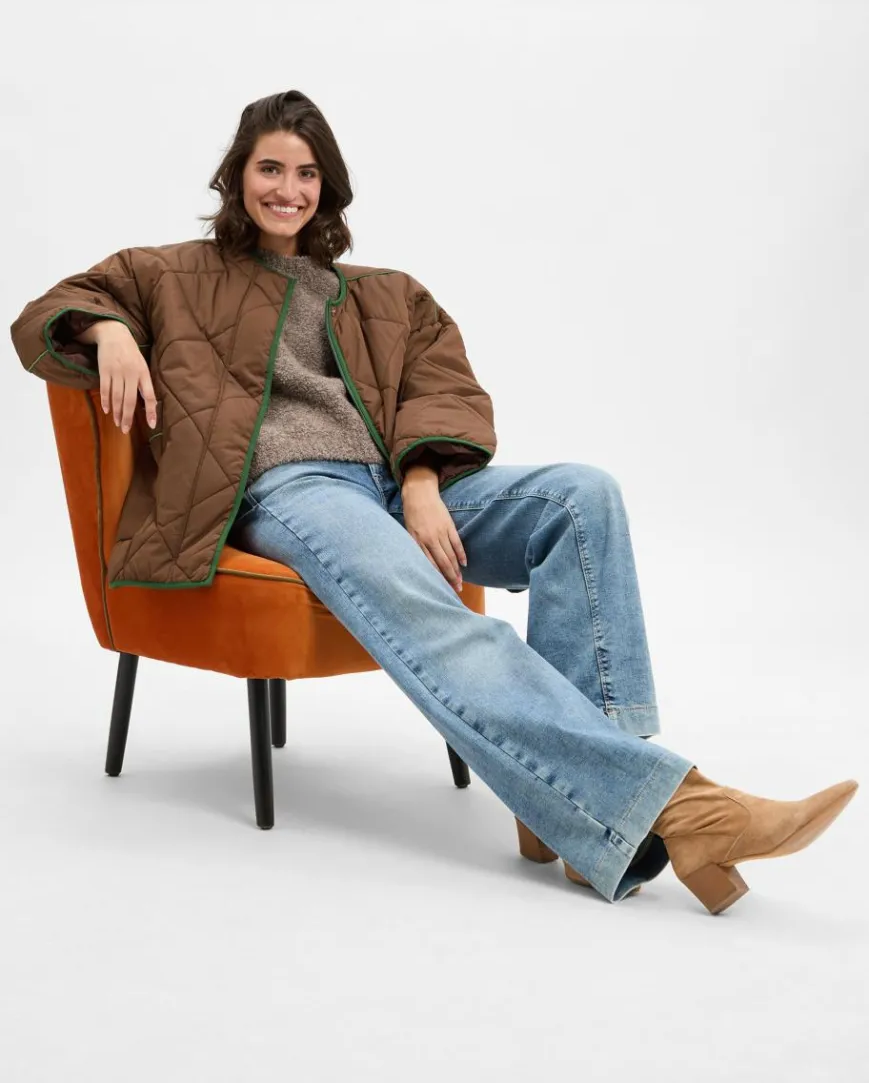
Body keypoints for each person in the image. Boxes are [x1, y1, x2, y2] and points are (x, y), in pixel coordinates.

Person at [10, 90, 858, 913]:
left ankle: (571, 818)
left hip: (395, 483)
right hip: (288, 487)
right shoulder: (166, 272)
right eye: (269, 168)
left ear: (328, 186)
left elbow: (443, 388)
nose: (287, 189)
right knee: (438, 611)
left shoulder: (389, 293)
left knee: (580, 498)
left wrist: (419, 480)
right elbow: (44, 311)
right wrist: (109, 329)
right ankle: (685, 811)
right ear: (235, 176)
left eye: (306, 173)